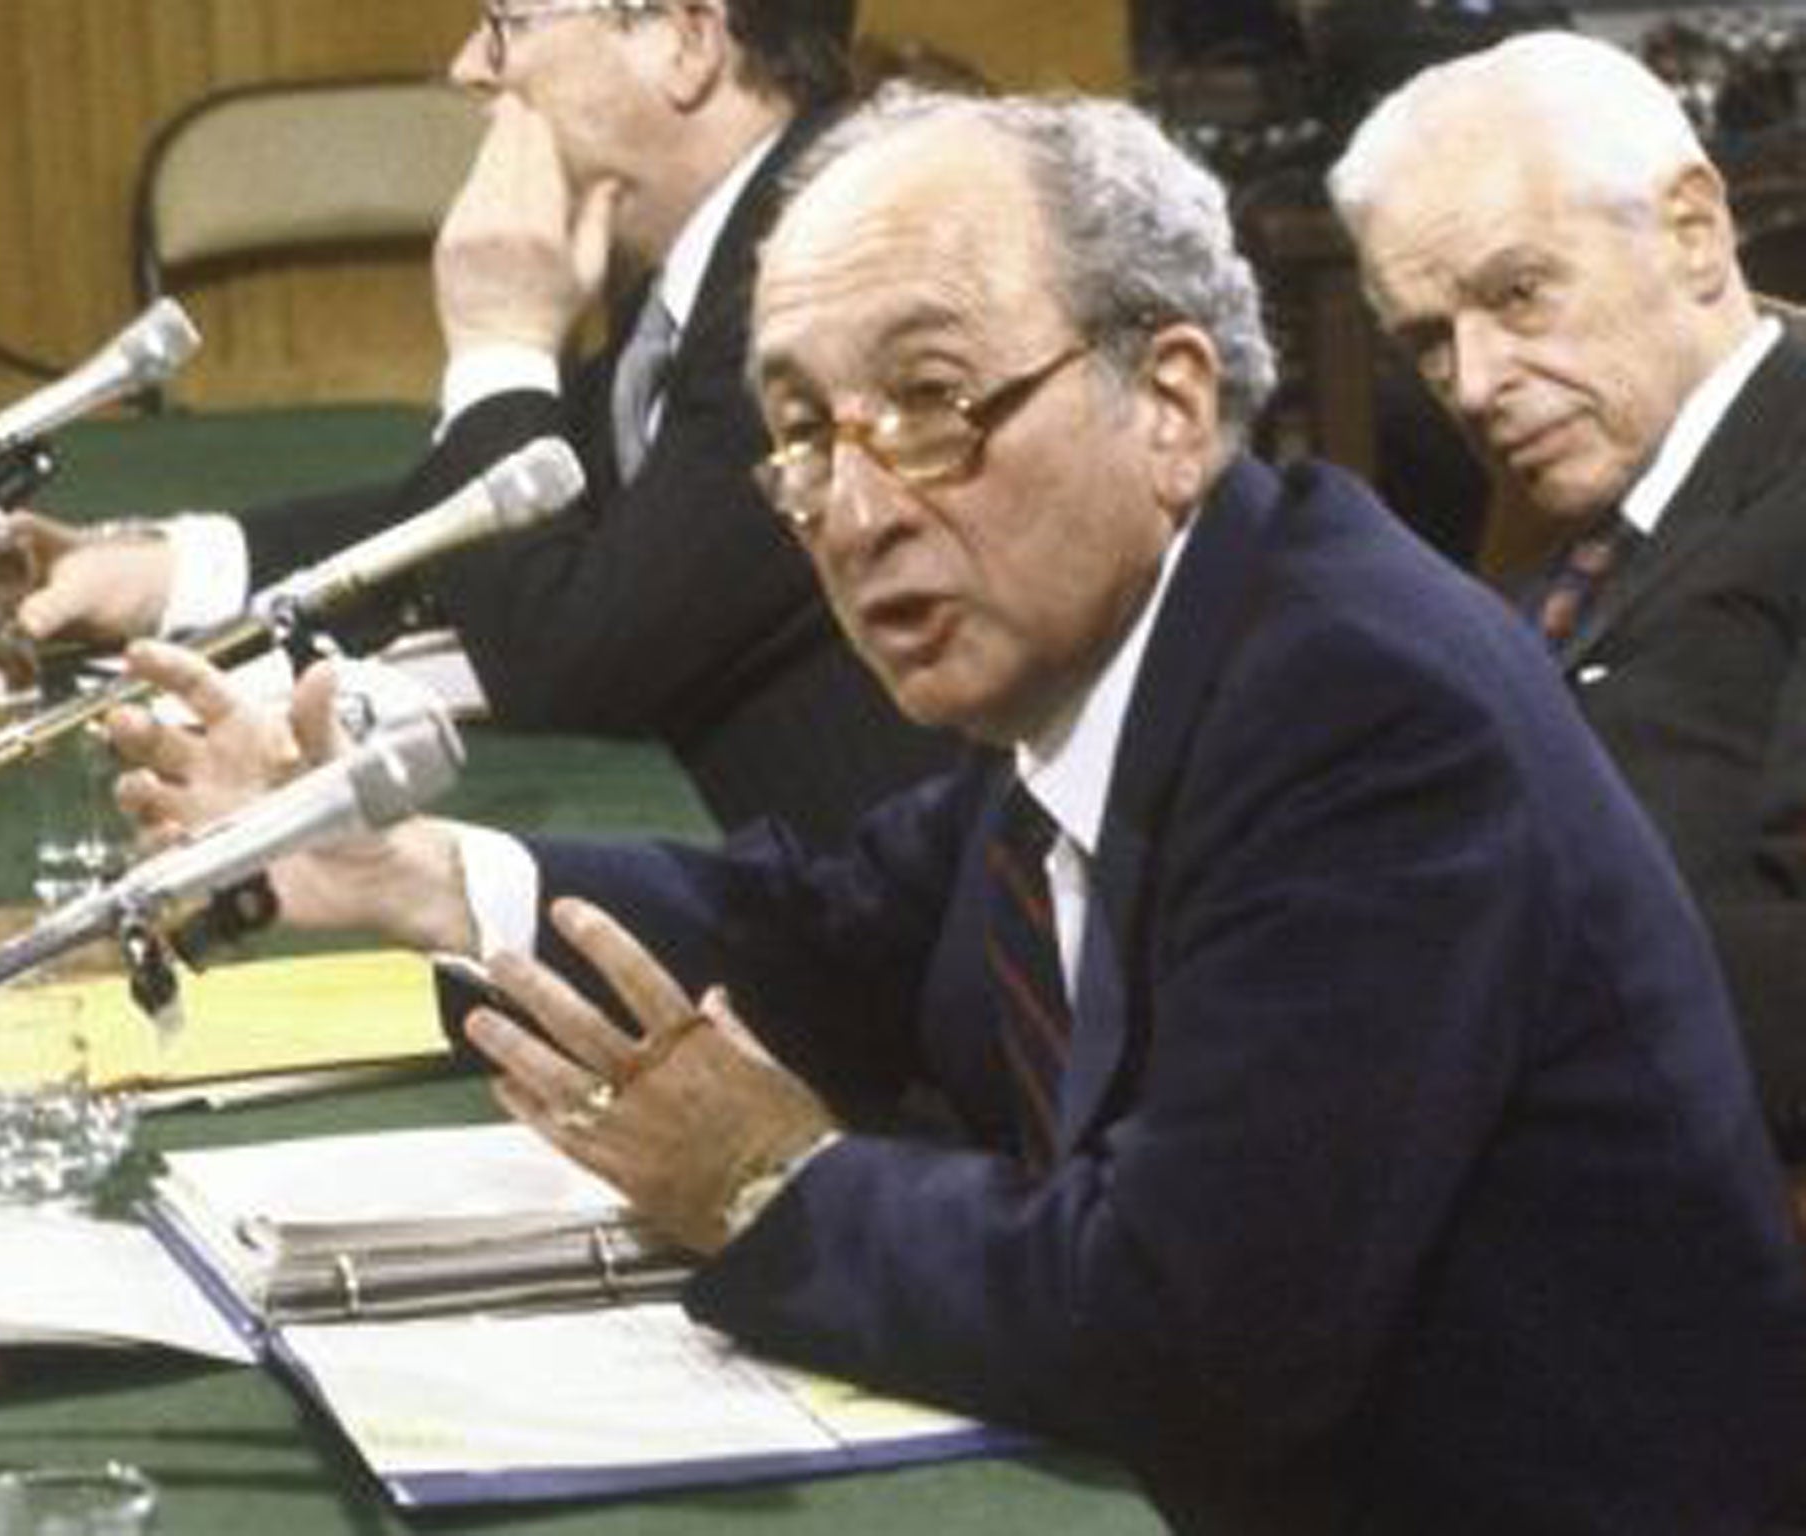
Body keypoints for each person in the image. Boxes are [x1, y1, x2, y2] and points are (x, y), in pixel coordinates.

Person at [109, 89, 1806, 1534]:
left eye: (929, 406)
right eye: (796, 433)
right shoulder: (1137, 640)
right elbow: (832, 932)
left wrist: (771, 1179)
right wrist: (404, 872)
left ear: (1169, 401)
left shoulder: (1353, 706)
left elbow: (1180, 1325)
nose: (852, 507)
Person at [0, 0, 954, 850]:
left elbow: (561, 657)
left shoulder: (819, 286)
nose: (468, 66)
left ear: (682, 37)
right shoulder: (731, 246)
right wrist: (158, 571)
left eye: (506, 22)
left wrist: (501, 340)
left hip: (901, 988)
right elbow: (485, 511)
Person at [1328, 30, 1806, 1160]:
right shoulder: (1549, 532)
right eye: (1429, 342)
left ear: (1691, 231)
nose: (1477, 384)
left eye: (1518, 294)